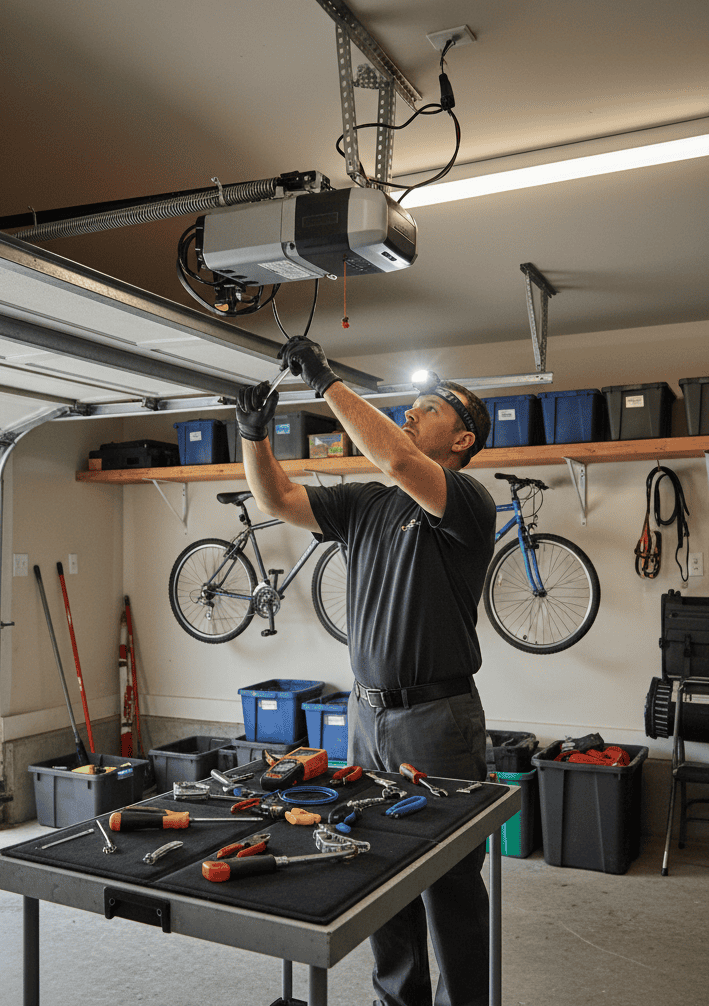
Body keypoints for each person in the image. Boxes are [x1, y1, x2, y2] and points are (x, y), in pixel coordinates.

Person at [236, 336, 495, 1006]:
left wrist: (325, 379)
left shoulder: (466, 503)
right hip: (368, 716)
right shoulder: (367, 505)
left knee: (451, 887)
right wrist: (253, 437)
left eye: (428, 408)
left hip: (439, 722)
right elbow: (280, 501)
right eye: (410, 406)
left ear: (462, 439)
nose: (412, 413)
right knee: (381, 873)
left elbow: (401, 459)